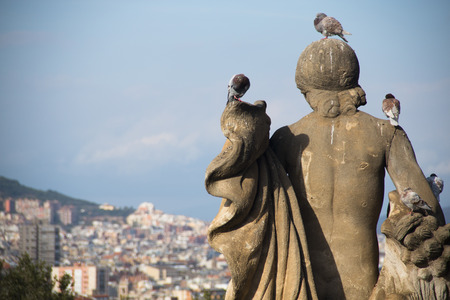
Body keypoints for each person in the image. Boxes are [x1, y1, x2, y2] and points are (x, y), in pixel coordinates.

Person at [270, 39, 445, 299]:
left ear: (306, 87)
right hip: (363, 279)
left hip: (300, 282)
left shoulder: (287, 138)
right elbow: (427, 208)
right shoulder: (384, 133)